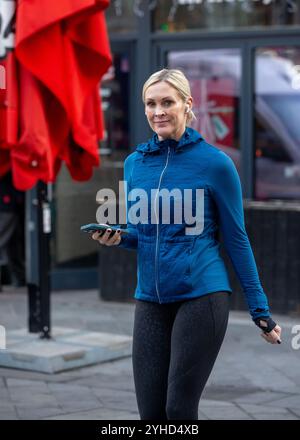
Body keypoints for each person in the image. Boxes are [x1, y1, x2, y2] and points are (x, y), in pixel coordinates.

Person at [92, 69, 282, 420]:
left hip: (201, 296)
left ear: (187, 104)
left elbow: (237, 239)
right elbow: (142, 234)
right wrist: (119, 236)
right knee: (150, 413)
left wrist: (261, 311)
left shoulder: (215, 164)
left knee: (178, 410)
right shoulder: (135, 164)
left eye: (167, 102)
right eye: (151, 104)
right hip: (150, 297)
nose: (158, 111)